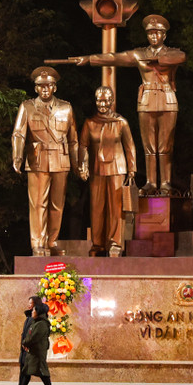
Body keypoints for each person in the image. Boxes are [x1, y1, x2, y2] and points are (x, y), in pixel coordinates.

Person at [70, 14, 186, 195]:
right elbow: (113, 58)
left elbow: (180, 57)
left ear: (164, 35)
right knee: (149, 146)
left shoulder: (170, 52)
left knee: (165, 146)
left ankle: (165, 183)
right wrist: (88, 59)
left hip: (167, 100)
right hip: (146, 101)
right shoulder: (140, 53)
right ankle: (149, 182)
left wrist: (154, 61)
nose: (154, 37)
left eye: (158, 33)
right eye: (151, 34)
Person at [11, 66, 79, 256]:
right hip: (37, 160)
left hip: (60, 160)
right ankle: (38, 243)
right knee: (38, 204)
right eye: (41, 86)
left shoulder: (66, 108)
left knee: (57, 205)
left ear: (55, 87)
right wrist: (17, 156)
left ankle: (52, 241)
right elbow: (18, 134)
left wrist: (77, 164)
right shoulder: (27, 107)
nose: (45, 89)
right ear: (36, 88)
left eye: (49, 86)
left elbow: (73, 140)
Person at [78, 86, 136, 257]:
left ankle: (115, 243)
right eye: (98, 100)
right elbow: (83, 145)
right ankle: (97, 244)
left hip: (117, 168)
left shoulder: (121, 122)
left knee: (116, 209)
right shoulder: (90, 123)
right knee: (96, 207)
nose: (102, 104)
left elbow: (130, 145)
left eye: (105, 100)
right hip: (96, 169)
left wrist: (132, 169)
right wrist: (83, 165)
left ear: (111, 101)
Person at [10, 302, 54, 385]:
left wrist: (25, 343)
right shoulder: (36, 322)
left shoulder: (41, 324)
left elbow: (33, 337)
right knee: (27, 370)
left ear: (38, 311)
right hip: (33, 351)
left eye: (34, 310)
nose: (32, 311)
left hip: (38, 352)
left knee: (42, 371)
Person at [14, 295, 42, 385]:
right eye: (29, 303)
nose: (29, 305)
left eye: (31, 303)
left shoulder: (37, 318)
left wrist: (27, 343)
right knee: (24, 368)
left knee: (38, 372)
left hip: (30, 348)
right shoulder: (29, 316)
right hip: (25, 348)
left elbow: (33, 334)